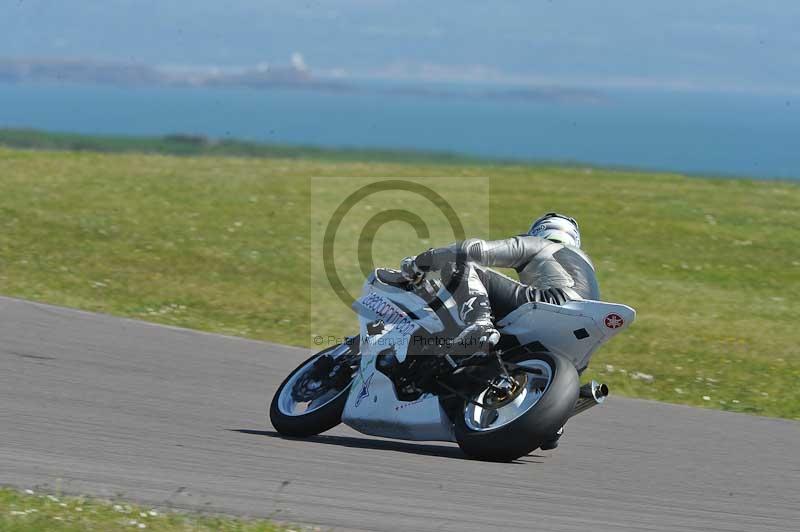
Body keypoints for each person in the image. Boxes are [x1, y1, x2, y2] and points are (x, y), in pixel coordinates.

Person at [400, 212, 600, 449]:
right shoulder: (587, 269)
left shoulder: (541, 244)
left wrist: (423, 260)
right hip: (576, 337)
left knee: (458, 264)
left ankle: (479, 324)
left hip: (550, 302)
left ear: (541, 231)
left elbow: (476, 250)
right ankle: (552, 419)